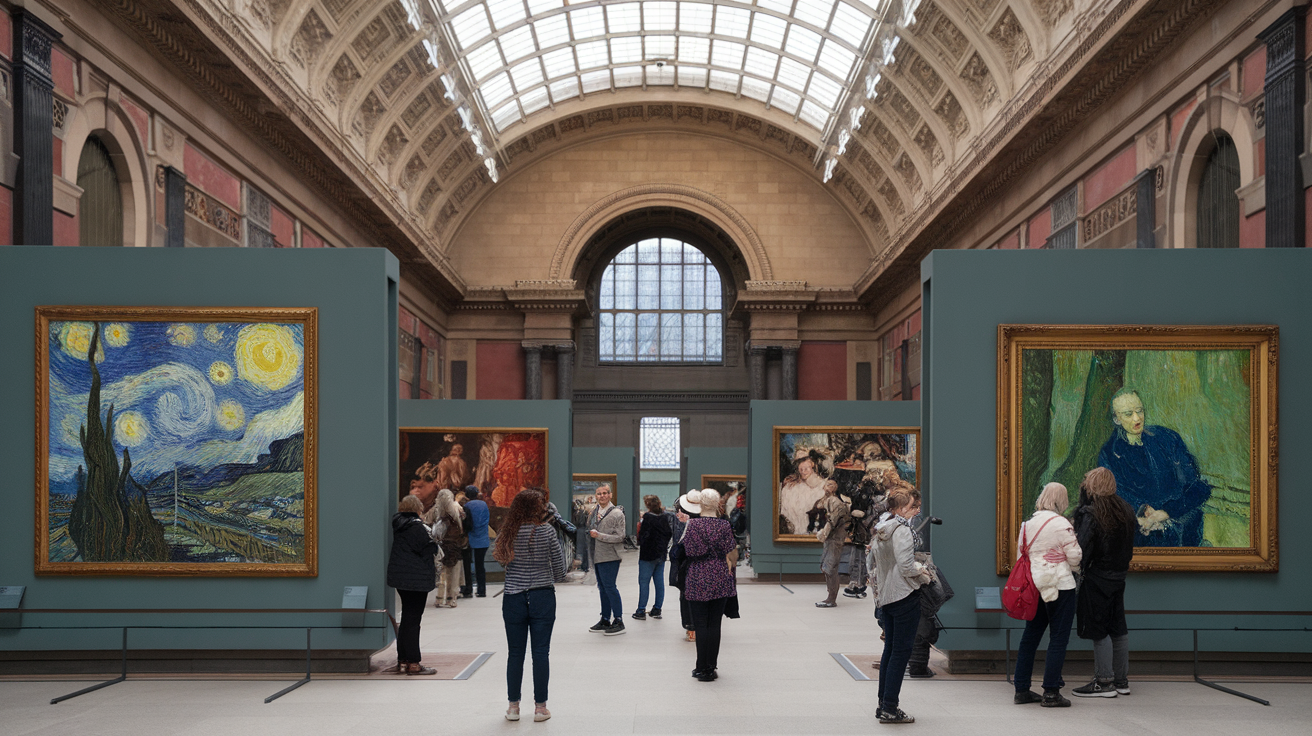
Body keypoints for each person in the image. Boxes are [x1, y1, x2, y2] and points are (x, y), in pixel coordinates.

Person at [1097, 388, 1211, 547]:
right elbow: (1113, 497)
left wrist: (1166, 512)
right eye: (1129, 414)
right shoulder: (1110, 454)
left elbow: (1198, 487)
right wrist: (1143, 514)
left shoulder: (1167, 438)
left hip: (1178, 518)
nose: (1137, 418)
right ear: (1117, 419)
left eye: (1140, 411)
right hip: (1140, 525)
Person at [494, 488, 567, 723]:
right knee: (540, 653)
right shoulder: (546, 531)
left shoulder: (507, 532)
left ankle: (513, 707)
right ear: (537, 509)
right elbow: (560, 569)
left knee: (515, 653)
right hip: (542, 596)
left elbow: (500, 560)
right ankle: (540, 708)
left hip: (513, 596)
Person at [1013, 482, 1083, 708]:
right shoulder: (1062, 524)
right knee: (1058, 639)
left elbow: (1020, 557)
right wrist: (1064, 559)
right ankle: (1051, 692)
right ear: (1061, 500)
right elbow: (1075, 557)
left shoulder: (1027, 525)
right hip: (1060, 585)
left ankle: (1022, 689)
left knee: (1030, 637)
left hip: (1035, 586)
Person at [1072, 467, 1137, 698]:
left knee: (1099, 630)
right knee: (1118, 628)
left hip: (1097, 578)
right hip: (1119, 577)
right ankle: (1121, 681)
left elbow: (1081, 550)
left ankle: (1104, 682)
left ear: (1092, 485)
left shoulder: (1091, 513)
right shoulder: (1126, 509)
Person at [872, 489, 934, 724]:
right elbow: (907, 566)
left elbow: (875, 563)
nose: (917, 509)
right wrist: (924, 573)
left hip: (887, 596)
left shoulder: (883, 528)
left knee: (890, 651)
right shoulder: (903, 531)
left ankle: (883, 704)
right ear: (899, 509)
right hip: (904, 595)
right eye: (912, 506)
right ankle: (890, 708)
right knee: (900, 652)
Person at [680, 489, 738, 682]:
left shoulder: (692, 525)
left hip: (697, 576)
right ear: (718, 504)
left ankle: (700, 667)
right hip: (720, 576)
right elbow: (732, 554)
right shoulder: (724, 525)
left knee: (700, 624)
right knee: (714, 625)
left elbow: (688, 551)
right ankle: (710, 667)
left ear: (700, 505)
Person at [386, 495, 438, 676]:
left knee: (407, 618)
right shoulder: (417, 527)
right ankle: (414, 663)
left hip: (400, 578)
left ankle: (403, 659)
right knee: (414, 620)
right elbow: (429, 548)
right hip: (416, 579)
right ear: (418, 508)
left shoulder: (399, 525)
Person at [586, 484, 626, 635]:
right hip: (596, 555)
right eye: (599, 494)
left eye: (605, 493)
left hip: (610, 556)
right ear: (595, 496)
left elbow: (620, 537)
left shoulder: (617, 514)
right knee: (602, 588)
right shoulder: (593, 512)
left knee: (610, 587)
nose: (602, 496)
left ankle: (619, 620)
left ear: (610, 495)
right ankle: (605, 619)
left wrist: (600, 536)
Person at [634, 494, 672, 621]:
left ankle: (641, 610)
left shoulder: (648, 518)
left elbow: (643, 537)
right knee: (659, 582)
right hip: (661, 554)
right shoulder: (664, 517)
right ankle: (657, 609)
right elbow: (668, 533)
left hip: (647, 555)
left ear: (647, 505)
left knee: (644, 582)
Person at [671, 489, 702, 642]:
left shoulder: (683, 520)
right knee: (689, 594)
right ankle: (692, 626)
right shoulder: (680, 518)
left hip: (690, 563)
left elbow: (678, 541)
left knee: (688, 595)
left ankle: (692, 626)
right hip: (690, 563)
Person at [815, 479, 851, 608]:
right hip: (831, 539)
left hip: (835, 538)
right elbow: (819, 506)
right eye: (826, 484)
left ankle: (831, 598)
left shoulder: (835, 502)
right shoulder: (827, 500)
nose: (827, 487)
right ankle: (830, 597)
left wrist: (824, 533)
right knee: (828, 567)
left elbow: (832, 521)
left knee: (830, 568)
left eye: (830, 485)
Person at [429, 488, 466, 608]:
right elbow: (463, 526)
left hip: (440, 545)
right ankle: (452, 599)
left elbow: (427, 521)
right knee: (454, 573)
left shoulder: (436, 509)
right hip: (454, 545)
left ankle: (440, 598)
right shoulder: (457, 508)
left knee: (442, 572)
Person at [779, 450, 826, 535]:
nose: (803, 472)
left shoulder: (821, 485)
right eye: (801, 469)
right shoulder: (790, 486)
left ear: (812, 466)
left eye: (806, 469)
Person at [463, 485, 490, 598]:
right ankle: (481, 590)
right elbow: (486, 519)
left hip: (470, 538)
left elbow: (466, 523)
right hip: (483, 538)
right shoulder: (484, 504)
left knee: (467, 565)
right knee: (480, 565)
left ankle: (468, 589)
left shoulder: (466, 506)